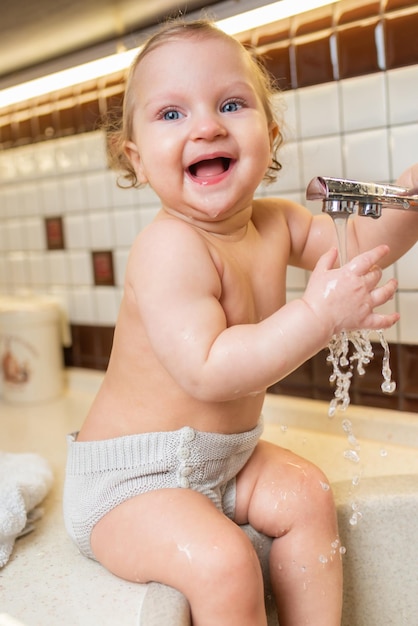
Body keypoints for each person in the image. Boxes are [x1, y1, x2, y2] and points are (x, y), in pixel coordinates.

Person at [63, 18, 418, 626]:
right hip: (130, 482)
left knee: (307, 493)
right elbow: (209, 368)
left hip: (222, 459)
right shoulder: (168, 248)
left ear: (269, 135)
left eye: (231, 103)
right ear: (137, 159)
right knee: (224, 561)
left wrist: (411, 197)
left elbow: (360, 240)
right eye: (171, 114)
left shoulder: (276, 222)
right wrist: (317, 315)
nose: (206, 125)